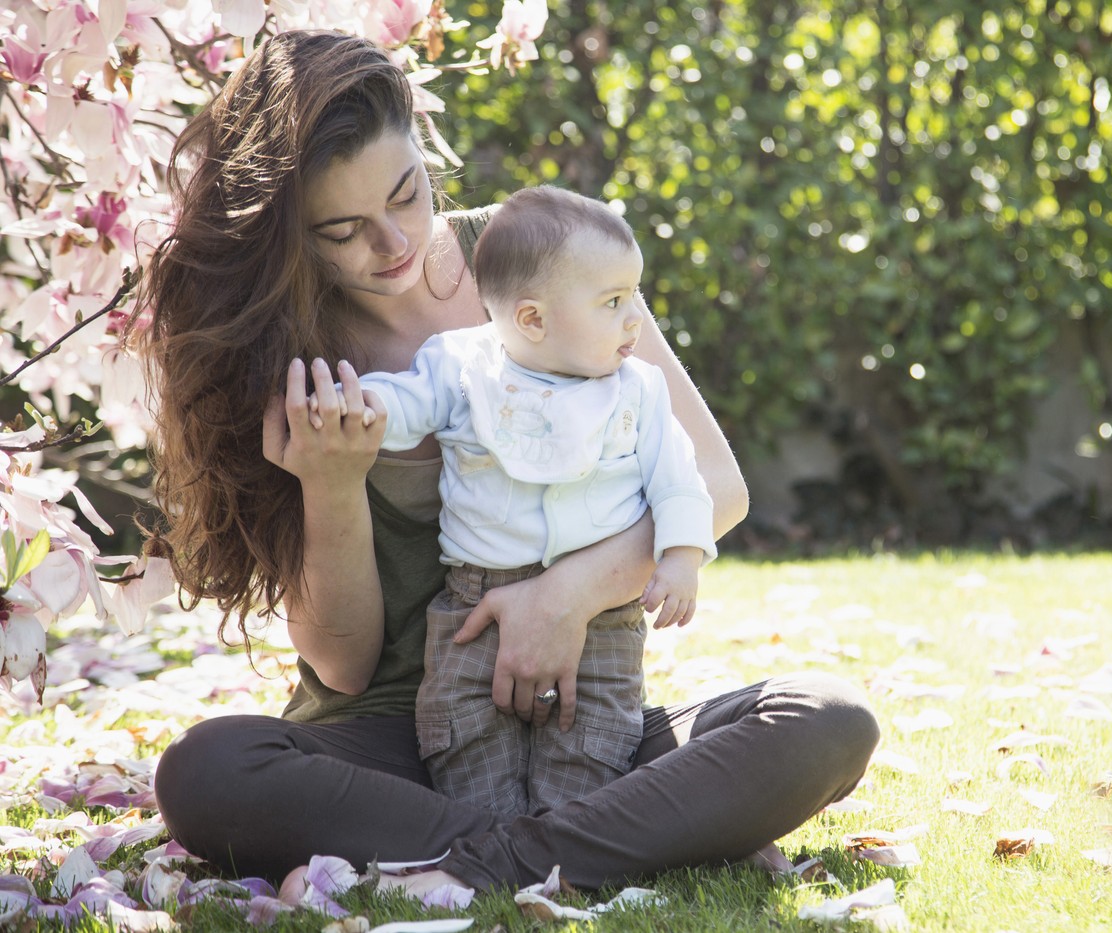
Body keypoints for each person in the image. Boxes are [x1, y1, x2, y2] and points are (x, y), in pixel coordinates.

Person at [134, 29, 879, 893]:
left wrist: (562, 598)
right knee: (206, 771)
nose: (394, 244)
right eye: (343, 230)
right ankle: (613, 838)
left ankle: (490, 855)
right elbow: (343, 665)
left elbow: (716, 487)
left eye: (407, 194)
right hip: (392, 746)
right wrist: (332, 484)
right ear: (289, 235)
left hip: (581, 718)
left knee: (828, 718)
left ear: (421, 145)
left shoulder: (546, 253)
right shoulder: (281, 354)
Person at [354, 184, 716, 817]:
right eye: (612, 301)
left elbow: (680, 480)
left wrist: (682, 556)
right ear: (532, 319)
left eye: (635, 295)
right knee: (467, 730)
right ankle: (490, 827)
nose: (635, 318)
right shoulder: (463, 365)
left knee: (591, 734)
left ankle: (567, 829)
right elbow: (406, 403)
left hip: (604, 616)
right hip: (474, 603)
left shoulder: (639, 391)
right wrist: (364, 405)